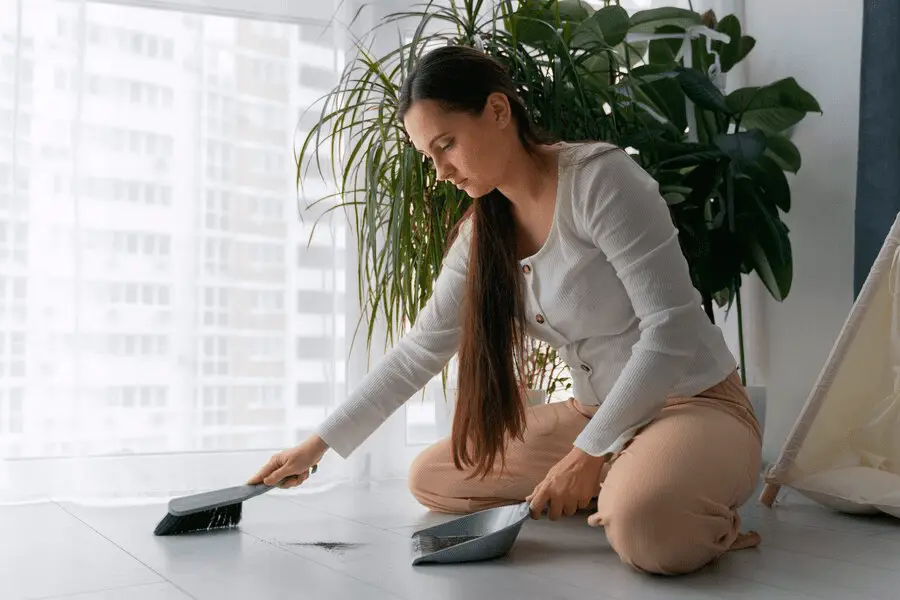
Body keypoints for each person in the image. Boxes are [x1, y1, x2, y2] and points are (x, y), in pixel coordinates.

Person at [248, 45, 763, 576]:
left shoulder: (599, 180)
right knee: (433, 476)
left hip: (694, 404)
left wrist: (587, 454)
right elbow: (419, 351)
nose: (441, 171)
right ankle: (627, 478)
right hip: (594, 415)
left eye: (446, 145)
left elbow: (670, 331)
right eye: (429, 156)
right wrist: (315, 447)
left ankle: (657, 496)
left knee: (648, 532)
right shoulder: (482, 234)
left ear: (498, 112)